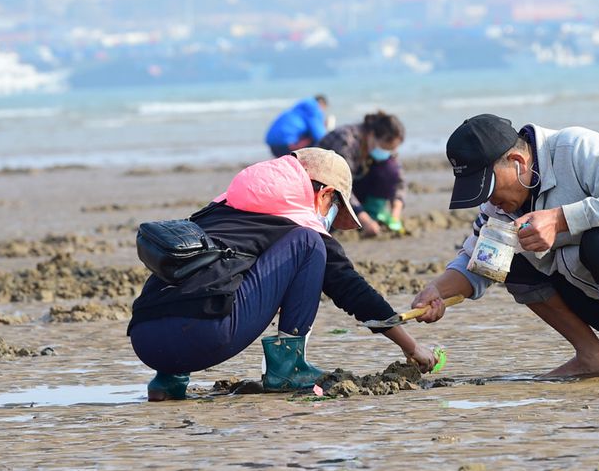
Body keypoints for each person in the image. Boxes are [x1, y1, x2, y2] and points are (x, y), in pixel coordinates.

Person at [411, 114, 599, 380]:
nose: (489, 201)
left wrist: (560, 219)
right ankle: (592, 358)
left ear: (518, 162)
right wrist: (437, 290)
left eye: (489, 188)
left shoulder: (576, 148)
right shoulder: (500, 209)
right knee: (511, 262)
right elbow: (478, 262)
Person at [128, 148, 436, 401]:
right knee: (309, 244)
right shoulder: (299, 227)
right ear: (325, 194)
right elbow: (351, 290)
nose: (331, 219)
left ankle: (168, 381)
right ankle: (287, 368)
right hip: (205, 335)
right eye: (335, 206)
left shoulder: (221, 207)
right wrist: (411, 347)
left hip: (145, 338)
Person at [316, 110, 407, 237]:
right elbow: (340, 186)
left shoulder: (382, 148)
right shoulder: (346, 141)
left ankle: (371, 213)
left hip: (356, 181)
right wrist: (365, 220)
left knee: (390, 168)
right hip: (324, 186)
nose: (387, 153)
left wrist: (395, 214)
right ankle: (357, 218)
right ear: (372, 135)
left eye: (391, 150)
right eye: (385, 148)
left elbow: (399, 181)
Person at [265, 95, 329, 157]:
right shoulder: (313, 109)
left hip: (273, 145)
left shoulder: (298, 109)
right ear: (321, 104)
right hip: (286, 144)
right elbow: (319, 135)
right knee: (316, 142)